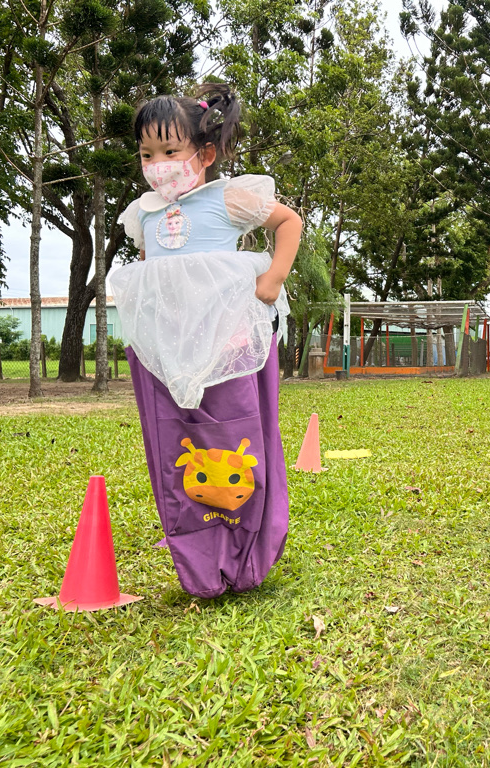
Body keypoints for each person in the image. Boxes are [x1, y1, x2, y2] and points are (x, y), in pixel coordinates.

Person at [109, 83, 302, 599]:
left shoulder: (227, 198)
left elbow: (288, 222)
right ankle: (197, 552)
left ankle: (246, 550)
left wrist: (274, 278)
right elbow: (156, 280)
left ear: (206, 154)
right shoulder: (144, 213)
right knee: (179, 445)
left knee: (237, 440)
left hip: (229, 345)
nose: (158, 165)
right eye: (147, 154)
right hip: (171, 355)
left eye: (171, 151)